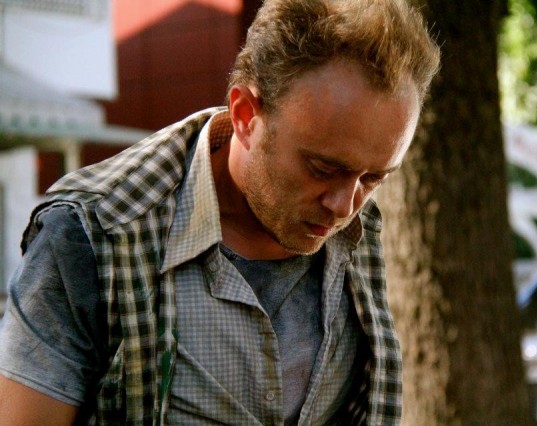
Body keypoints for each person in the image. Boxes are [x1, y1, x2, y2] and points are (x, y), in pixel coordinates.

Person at [0, 0, 440, 424]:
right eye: (322, 169)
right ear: (245, 115)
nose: (345, 206)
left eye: (374, 178)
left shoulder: (358, 226)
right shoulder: (94, 234)